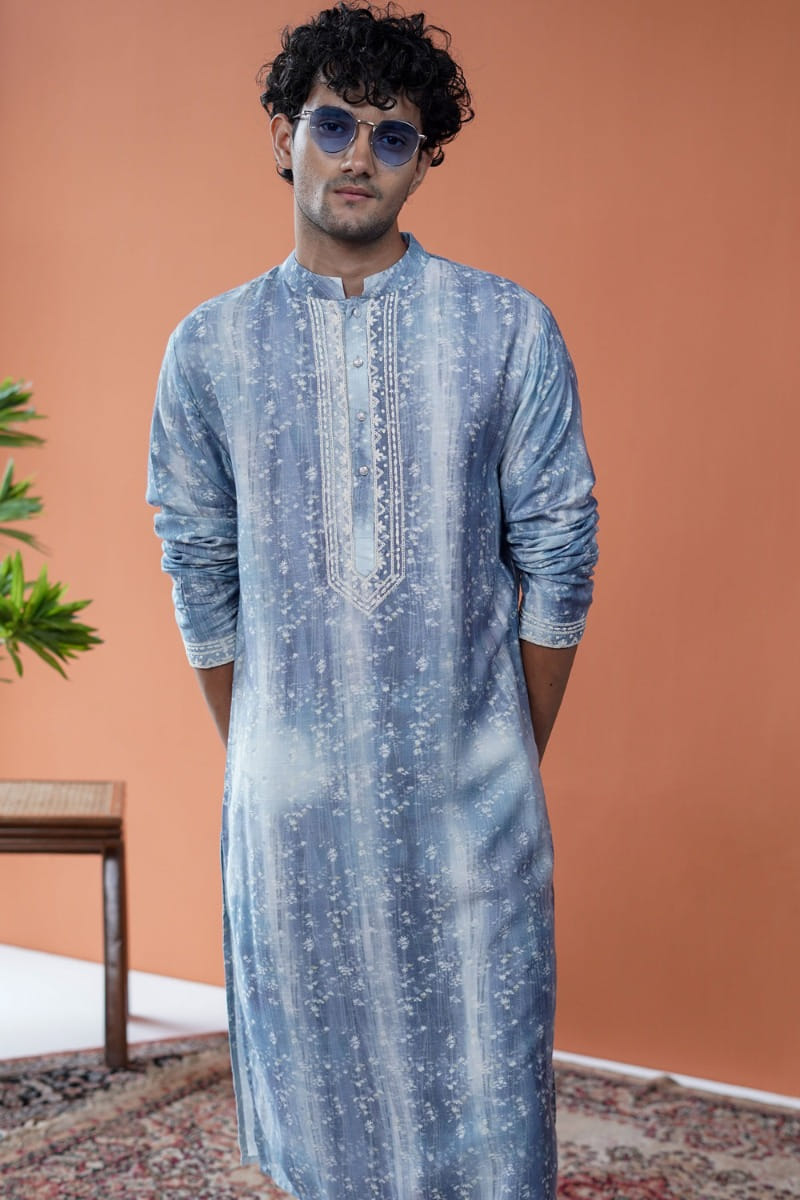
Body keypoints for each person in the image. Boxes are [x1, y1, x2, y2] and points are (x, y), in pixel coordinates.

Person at [147, 4, 598, 1197]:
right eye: (333, 124)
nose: (358, 156)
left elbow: (559, 552)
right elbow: (200, 574)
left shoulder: (505, 329)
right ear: (284, 136)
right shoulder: (208, 350)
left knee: (489, 1113)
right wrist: (270, 751)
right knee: (321, 1124)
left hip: (472, 804)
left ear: (421, 161)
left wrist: (497, 753)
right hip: (289, 817)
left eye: (392, 137)